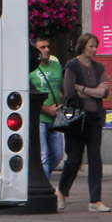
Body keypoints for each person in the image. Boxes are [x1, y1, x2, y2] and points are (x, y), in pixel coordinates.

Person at [55, 32, 111, 212]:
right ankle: (61, 192)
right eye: (91, 46)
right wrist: (93, 90)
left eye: (96, 46)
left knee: (95, 158)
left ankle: (95, 200)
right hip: (77, 119)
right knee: (74, 159)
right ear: (83, 46)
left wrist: (84, 88)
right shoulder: (72, 65)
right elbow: (70, 92)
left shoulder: (98, 67)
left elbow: (104, 93)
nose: (95, 50)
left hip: (95, 118)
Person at [30, 34, 64, 176]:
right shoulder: (31, 68)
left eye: (48, 46)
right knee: (43, 156)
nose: (47, 50)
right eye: (42, 47)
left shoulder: (56, 65)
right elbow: (28, 95)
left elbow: (63, 87)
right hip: (40, 118)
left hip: (56, 117)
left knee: (57, 155)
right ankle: (46, 185)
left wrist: (63, 104)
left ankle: (42, 177)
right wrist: (46, 109)